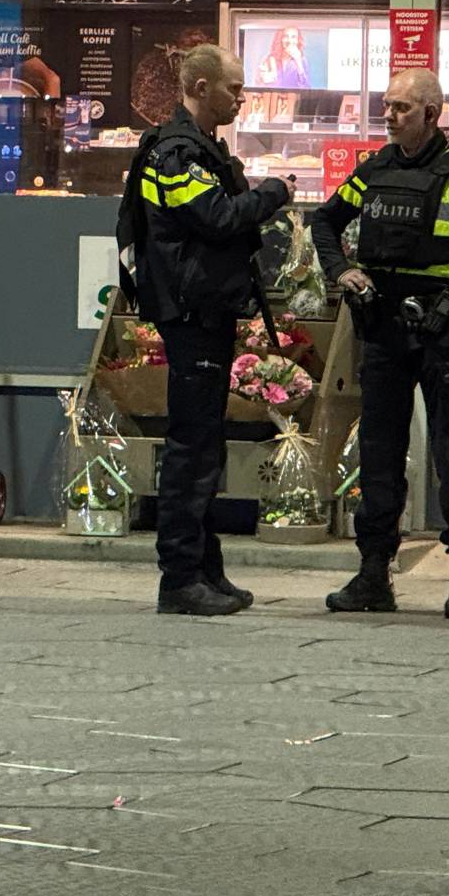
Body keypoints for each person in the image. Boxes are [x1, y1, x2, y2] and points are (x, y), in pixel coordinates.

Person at [308, 68, 449, 619]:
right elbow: (324, 221)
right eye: (386, 105)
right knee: (378, 455)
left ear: (432, 112)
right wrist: (341, 271)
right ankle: (373, 575)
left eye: (402, 107)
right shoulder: (375, 169)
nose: (390, 114)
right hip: (381, 330)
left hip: (439, 333)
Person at [120, 44, 294, 617]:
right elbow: (217, 218)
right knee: (190, 448)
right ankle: (178, 579)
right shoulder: (174, 153)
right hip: (189, 313)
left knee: (205, 446)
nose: (241, 98)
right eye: (232, 88)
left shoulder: (203, 148)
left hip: (207, 310)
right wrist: (274, 192)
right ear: (198, 86)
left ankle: (206, 569)